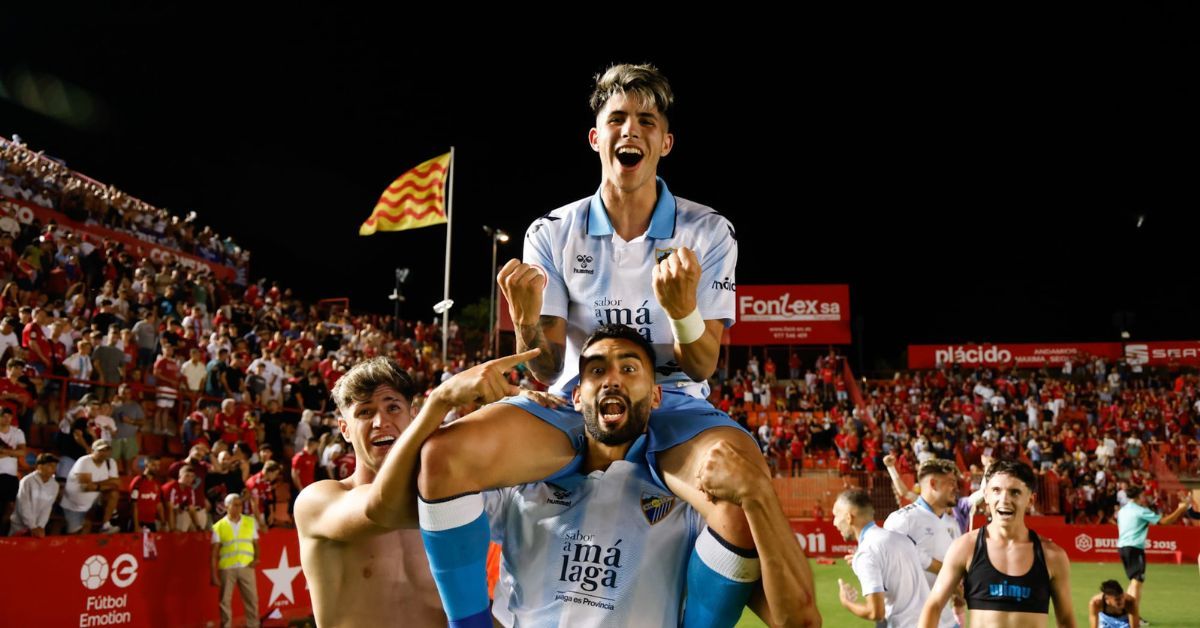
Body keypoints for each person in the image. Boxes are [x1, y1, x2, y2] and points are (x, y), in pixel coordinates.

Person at [416, 63, 786, 627]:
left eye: (646, 119)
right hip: (575, 404)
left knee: (737, 504)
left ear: (666, 140)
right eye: (617, 118)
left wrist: (683, 309)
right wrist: (524, 324)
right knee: (442, 456)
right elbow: (544, 365)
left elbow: (703, 362)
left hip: (673, 407)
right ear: (596, 137)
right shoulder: (551, 231)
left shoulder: (708, 231)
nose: (630, 130)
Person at [295, 352, 541, 626]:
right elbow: (380, 508)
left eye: (392, 408)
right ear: (344, 429)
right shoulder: (316, 501)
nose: (380, 422)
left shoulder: (450, 496)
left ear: (412, 416)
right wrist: (441, 401)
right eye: (365, 412)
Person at [920, 460, 1075, 628]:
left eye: (1015, 492)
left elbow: (1066, 620)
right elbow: (933, 605)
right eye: (996, 490)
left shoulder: (1052, 556)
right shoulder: (965, 547)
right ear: (986, 495)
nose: (1004, 499)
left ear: (1030, 500)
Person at [882, 457, 962, 628]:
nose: (956, 488)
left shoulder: (952, 524)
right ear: (933, 484)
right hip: (910, 622)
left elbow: (955, 568)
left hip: (946, 620)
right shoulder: (902, 520)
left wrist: (958, 591)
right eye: (951, 482)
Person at [834, 488, 930, 626]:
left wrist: (847, 602)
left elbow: (876, 613)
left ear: (849, 518)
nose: (834, 523)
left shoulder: (866, 553)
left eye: (836, 515)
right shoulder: (900, 539)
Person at [1116, 486, 1192, 608]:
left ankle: (1127, 613)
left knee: (1133, 581)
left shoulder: (1122, 511)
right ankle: (1134, 616)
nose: (1144, 497)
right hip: (1134, 547)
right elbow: (1164, 522)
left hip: (1122, 547)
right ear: (1138, 496)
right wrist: (1180, 509)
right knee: (1137, 582)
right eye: (1142, 495)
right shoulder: (1140, 511)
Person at [210, 493, 259, 628]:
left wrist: (257, 558)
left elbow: (256, 543)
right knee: (225, 601)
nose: (239, 508)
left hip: (246, 566)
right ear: (227, 506)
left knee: (252, 600)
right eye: (235, 505)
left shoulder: (250, 522)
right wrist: (214, 575)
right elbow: (214, 553)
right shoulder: (219, 526)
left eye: (240, 505)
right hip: (227, 568)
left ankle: (253, 626)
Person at [61, 439, 121, 534]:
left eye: (107, 450)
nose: (104, 453)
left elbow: (116, 484)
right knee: (76, 534)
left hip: (94, 502)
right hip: (75, 504)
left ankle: (106, 525)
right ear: (93, 451)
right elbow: (87, 487)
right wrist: (107, 482)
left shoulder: (111, 462)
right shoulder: (84, 461)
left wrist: (96, 485)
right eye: (101, 450)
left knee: (114, 494)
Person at [9, 452, 58, 536]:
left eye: (55, 466)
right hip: (20, 525)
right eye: (50, 465)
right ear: (39, 466)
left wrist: (40, 526)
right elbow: (23, 505)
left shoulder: (54, 485)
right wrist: (32, 526)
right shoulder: (27, 481)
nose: (53, 468)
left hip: (38, 528)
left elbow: (47, 508)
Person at [0, 405, 26, 534]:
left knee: (9, 507)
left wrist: (4, 451)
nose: (6, 419)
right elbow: (18, 452)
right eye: (3, 416)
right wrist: (13, 452)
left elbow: (22, 452)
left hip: (10, 476)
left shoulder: (17, 432)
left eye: (9, 416)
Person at [130, 456, 166, 531]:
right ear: (146, 465)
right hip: (138, 523)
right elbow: (134, 504)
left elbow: (158, 505)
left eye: (158, 465)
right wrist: (136, 526)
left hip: (151, 523)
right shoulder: (138, 482)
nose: (156, 468)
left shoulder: (156, 484)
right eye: (153, 465)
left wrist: (163, 523)